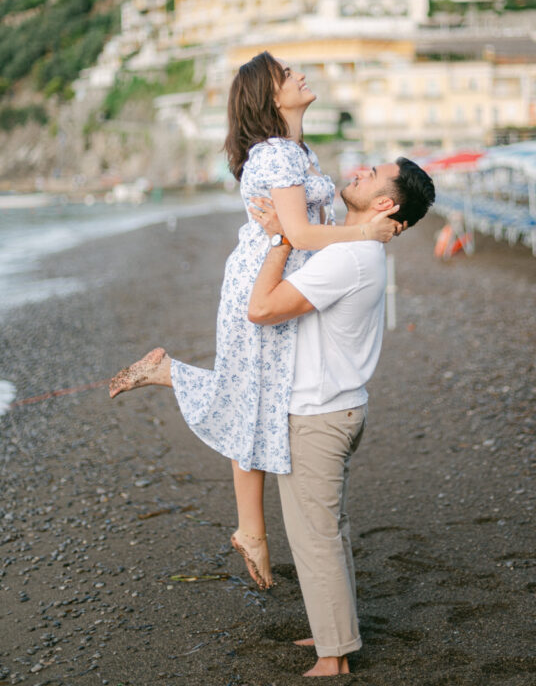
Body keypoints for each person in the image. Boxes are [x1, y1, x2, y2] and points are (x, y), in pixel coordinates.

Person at [108, 52, 398, 591]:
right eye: (286, 75)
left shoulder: (297, 153)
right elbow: (302, 234)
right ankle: (252, 532)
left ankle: (170, 375)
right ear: (270, 97)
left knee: (255, 398)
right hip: (261, 281)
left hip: (280, 273)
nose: (300, 75)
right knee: (253, 402)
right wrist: (367, 233)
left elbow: (302, 230)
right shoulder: (277, 156)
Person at [247, 157, 435, 677]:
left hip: (319, 415)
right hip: (337, 408)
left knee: (316, 535)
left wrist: (283, 240)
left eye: (373, 172)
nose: (359, 169)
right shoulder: (355, 248)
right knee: (327, 529)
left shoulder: (348, 256)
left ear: (385, 204)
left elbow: (261, 309)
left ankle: (333, 658)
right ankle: (335, 629)